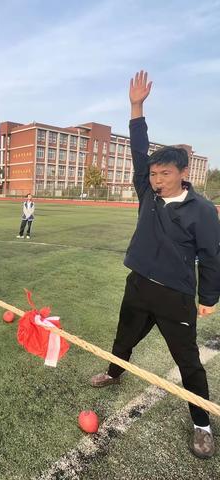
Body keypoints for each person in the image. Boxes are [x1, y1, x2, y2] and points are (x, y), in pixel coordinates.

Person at [90, 71, 220, 459]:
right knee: (123, 338)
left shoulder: (202, 211)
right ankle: (114, 373)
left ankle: (202, 424)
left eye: (165, 173)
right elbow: (138, 148)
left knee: (188, 362)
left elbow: (213, 257)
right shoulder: (147, 192)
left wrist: (208, 297)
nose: (157, 178)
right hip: (139, 284)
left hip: (176, 296)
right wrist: (136, 107)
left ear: (183, 173)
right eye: (153, 173)